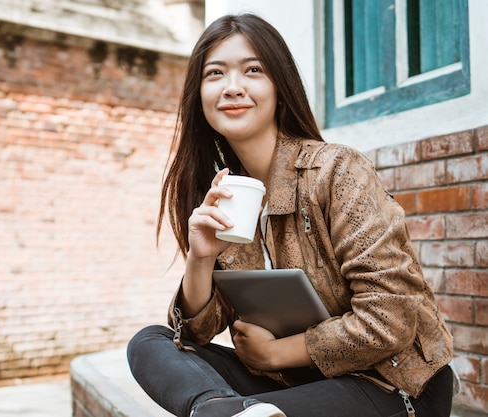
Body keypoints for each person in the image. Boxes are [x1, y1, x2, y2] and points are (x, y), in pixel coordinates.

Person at [127, 13, 455, 417]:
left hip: (393, 385)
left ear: (279, 87)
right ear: (199, 95)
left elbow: (389, 318)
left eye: (253, 70)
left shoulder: (337, 171)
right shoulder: (226, 196)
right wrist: (201, 257)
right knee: (150, 342)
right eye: (215, 74)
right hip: (300, 385)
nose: (233, 87)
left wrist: (276, 354)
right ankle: (218, 410)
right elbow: (194, 336)